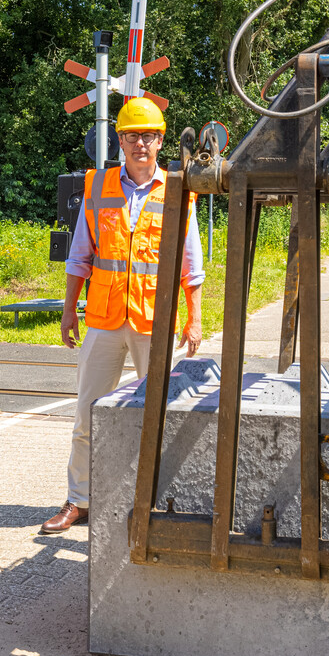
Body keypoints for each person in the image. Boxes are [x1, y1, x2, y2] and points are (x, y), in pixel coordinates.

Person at [43, 97, 205, 535]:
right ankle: (80, 500)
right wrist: (68, 310)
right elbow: (80, 255)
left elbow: (191, 263)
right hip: (103, 317)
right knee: (88, 412)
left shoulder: (178, 188)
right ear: (119, 140)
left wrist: (194, 317)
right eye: (132, 135)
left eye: (148, 136)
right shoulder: (98, 187)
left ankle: (156, 500)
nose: (140, 144)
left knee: (159, 413)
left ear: (160, 140)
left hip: (155, 319)